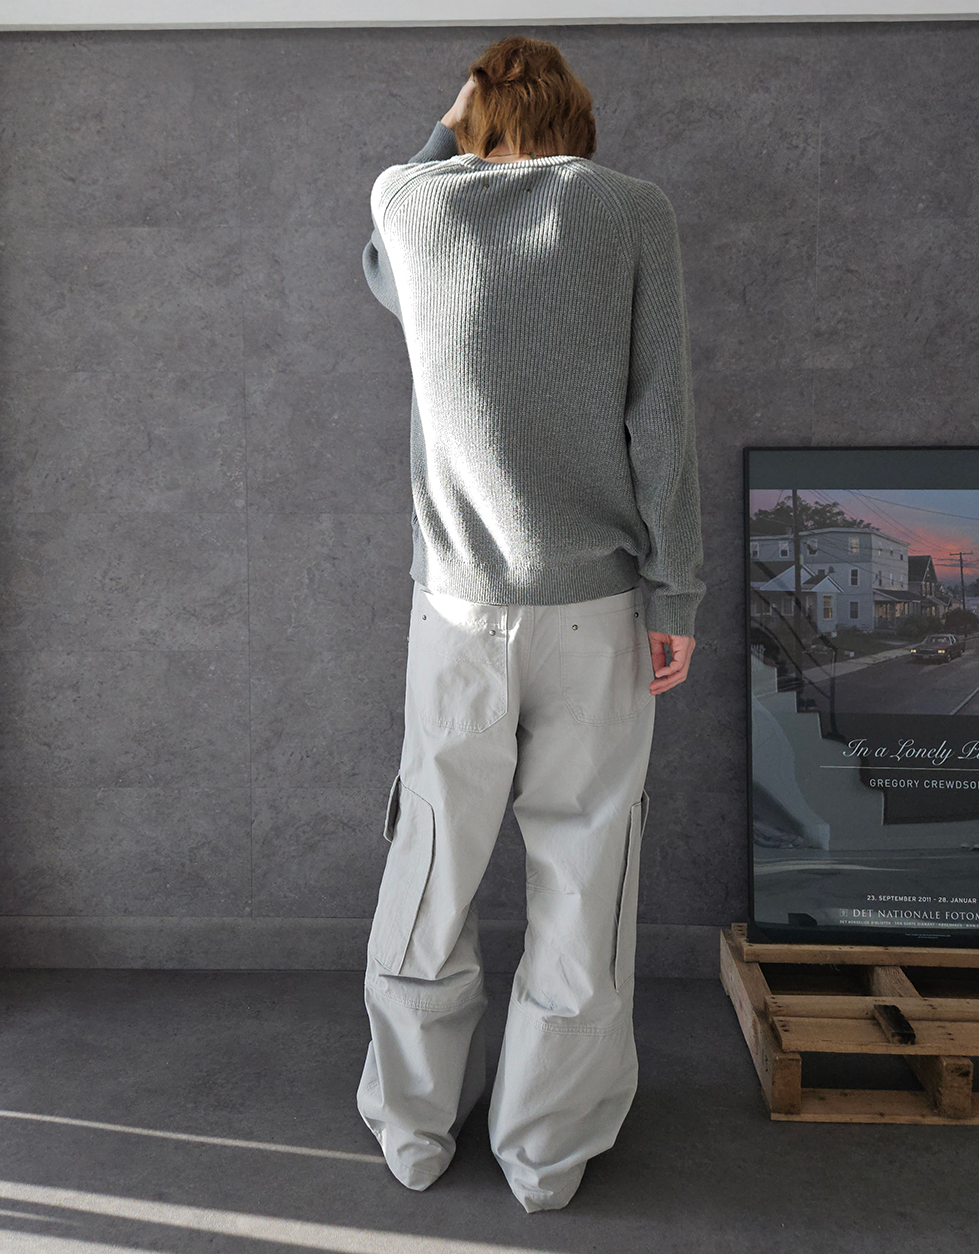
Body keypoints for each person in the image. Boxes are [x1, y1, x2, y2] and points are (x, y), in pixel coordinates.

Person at [355, 35, 706, 1213]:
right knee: (585, 877)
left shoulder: (412, 204)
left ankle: (413, 1130)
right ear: (577, 121)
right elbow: (663, 418)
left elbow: (377, 266)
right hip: (597, 609)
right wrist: (677, 593)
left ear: (472, 119)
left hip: (457, 612)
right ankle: (544, 1157)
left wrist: (453, 122)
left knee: (430, 868)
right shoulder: (634, 211)